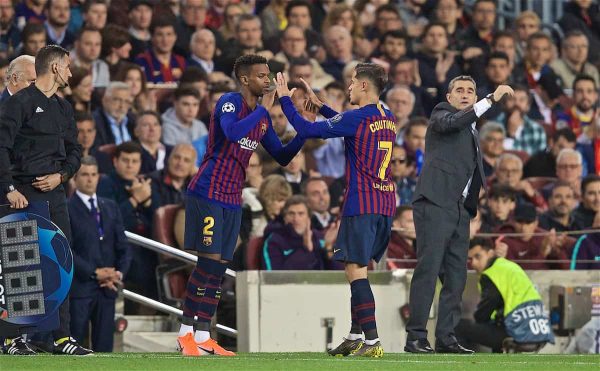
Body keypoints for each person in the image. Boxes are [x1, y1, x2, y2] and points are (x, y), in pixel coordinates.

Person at [177, 54, 305, 357]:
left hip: (233, 198)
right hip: (208, 191)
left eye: (269, 75)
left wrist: (305, 129)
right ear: (245, 79)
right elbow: (233, 132)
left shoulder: (261, 120)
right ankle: (185, 333)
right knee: (207, 263)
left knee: (219, 267)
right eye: (262, 75)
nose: (268, 80)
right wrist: (263, 109)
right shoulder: (230, 102)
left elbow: (283, 157)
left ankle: (205, 334)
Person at [275, 63, 397, 357]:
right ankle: (356, 335)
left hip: (362, 202)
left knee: (355, 271)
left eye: (354, 82)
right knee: (358, 269)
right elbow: (348, 124)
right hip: (385, 204)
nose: (350, 86)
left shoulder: (357, 118)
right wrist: (324, 107)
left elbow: (306, 128)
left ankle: (372, 341)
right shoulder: (387, 117)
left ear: (365, 86)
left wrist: (284, 100)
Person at [405, 76, 514, 354]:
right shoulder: (442, 114)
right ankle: (416, 337)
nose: (466, 94)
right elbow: (453, 122)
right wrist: (489, 99)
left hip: (460, 209)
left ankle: (446, 337)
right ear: (450, 96)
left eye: (471, 91)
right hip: (435, 202)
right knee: (428, 270)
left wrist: (472, 207)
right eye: (460, 91)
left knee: (456, 276)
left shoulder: (473, 130)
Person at [0, 44, 90, 355]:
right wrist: (9, 188)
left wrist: (61, 176)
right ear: (54, 68)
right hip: (22, 196)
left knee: (60, 264)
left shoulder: (64, 108)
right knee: (22, 268)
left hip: (55, 194)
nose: (70, 72)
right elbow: (1, 147)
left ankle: (62, 338)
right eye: (67, 66)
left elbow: (75, 151)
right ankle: (14, 339)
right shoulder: (18, 103)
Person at [68, 156, 131, 352]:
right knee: (73, 343)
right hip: (80, 288)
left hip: (108, 288)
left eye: (93, 174)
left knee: (105, 348)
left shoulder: (110, 206)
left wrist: (117, 274)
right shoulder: (66, 207)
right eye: (85, 174)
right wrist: (94, 273)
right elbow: (66, 250)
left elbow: (124, 246)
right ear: (74, 178)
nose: (90, 179)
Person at [456, 238, 554, 352]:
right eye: (470, 259)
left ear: (491, 253)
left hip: (518, 332)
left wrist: (478, 318)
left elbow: (485, 311)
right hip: (540, 331)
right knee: (495, 324)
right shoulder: (509, 266)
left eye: (478, 257)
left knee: (459, 326)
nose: (473, 263)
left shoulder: (491, 273)